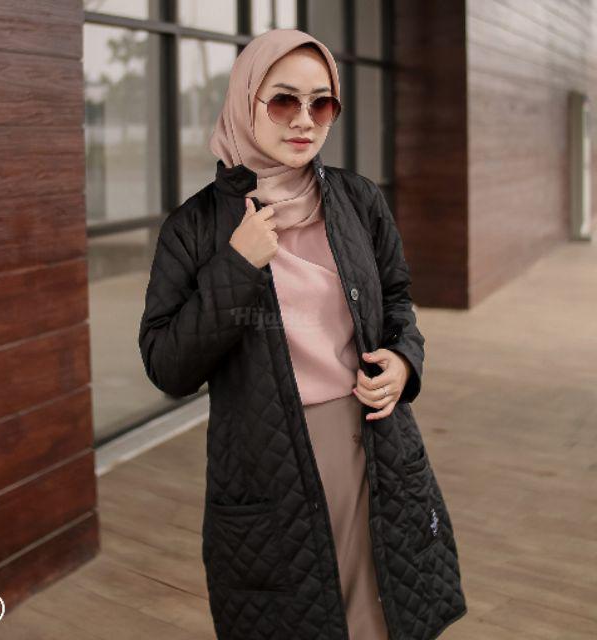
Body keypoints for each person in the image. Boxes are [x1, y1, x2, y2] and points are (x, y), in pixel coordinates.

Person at [139, 28, 467, 640]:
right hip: (270, 460)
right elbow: (167, 365)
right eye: (284, 100)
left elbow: (397, 300)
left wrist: (404, 361)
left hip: (377, 440)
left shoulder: (358, 200)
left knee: (384, 613)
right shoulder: (195, 227)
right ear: (246, 103)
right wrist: (237, 266)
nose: (305, 120)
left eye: (322, 103)